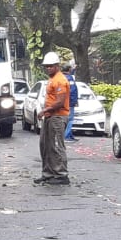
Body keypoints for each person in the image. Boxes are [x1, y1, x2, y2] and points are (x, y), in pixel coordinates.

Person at [34, 52, 70, 186]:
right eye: (46, 67)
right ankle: (48, 173)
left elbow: (60, 102)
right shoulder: (52, 79)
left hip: (58, 117)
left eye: (50, 66)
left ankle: (61, 174)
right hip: (50, 116)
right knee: (45, 145)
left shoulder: (60, 80)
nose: (48, 69)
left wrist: (44, 110)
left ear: (57, 66)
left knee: (56, 145)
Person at [64, 63, 79, 142]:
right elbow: (72, 91)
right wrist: (74, 101)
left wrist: (73, 69)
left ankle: (69, 135)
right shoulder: (69, 79)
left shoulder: (62, 77)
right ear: (69, 69)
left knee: (66, 119)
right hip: (69, 103)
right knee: (70, 120)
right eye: (71, 69)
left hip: (64, 102)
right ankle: (66, 136)